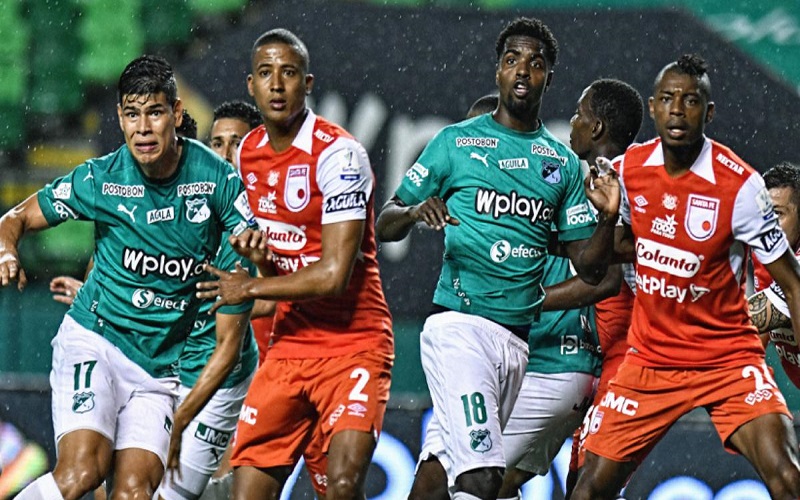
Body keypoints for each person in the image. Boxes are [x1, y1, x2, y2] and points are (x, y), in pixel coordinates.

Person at [376, 17, 618, 500]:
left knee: (445, 483)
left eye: (535, 63)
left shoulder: (561, 164)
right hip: (460, 329)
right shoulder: (455, 142)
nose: (522, 70)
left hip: (517, 346)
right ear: (498, 71)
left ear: (549, 77)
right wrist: (414, 211)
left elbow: (592, 269)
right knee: (482, 477)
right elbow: (385, 223)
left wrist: (608, 218)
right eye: (512, 60)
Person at [5, 55, 258, 500]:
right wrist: (6, 249)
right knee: (82, 472)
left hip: (160, 372)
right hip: (96, 342)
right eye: (132, 114)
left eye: (155, 112)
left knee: (134, 492)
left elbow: (251, 238)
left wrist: (256, 249)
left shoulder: (216, 180)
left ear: (176, 114)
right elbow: (17, 217)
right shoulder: (102, 179)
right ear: (120, 118)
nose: (143, 128)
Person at [571, 54, 800, 499]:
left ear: (708, 113)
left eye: (691, 101)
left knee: (788, 478)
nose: (678, 110)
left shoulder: (740, 186)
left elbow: (792, 283)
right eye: (668, 99)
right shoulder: (629, 171)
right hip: (650, 359)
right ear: (653, 107)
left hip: (726, 358)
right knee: (587, 491)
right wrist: (608, 217)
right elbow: (595, 267)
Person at [194, 29, 394, 500]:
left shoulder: (339, 155)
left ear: (307, 83)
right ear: (251, 85)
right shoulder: (247, 154)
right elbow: (262, 266)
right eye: (265, 73)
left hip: (353, 345)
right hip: (287, 348)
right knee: (245, 495)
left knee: (340, 488)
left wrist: (249, 288)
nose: (277, 84)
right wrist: (259, 264)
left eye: (288, 73)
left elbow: (333, 275)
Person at [560, 79, 643, 499]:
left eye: (579, 115)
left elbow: (603, 275)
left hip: (639, 351)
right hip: (613, 353)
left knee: (589, 485)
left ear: (596, 129)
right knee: (583, 482)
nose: (571, 122)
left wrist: (529, 302)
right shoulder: (600, 177)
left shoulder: (627, 178)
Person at [748, 161, 800, 389]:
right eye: (763, 214)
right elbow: (757, 335)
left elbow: (752, 318)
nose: (768, 225)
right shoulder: (767, 256)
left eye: (777, 214)